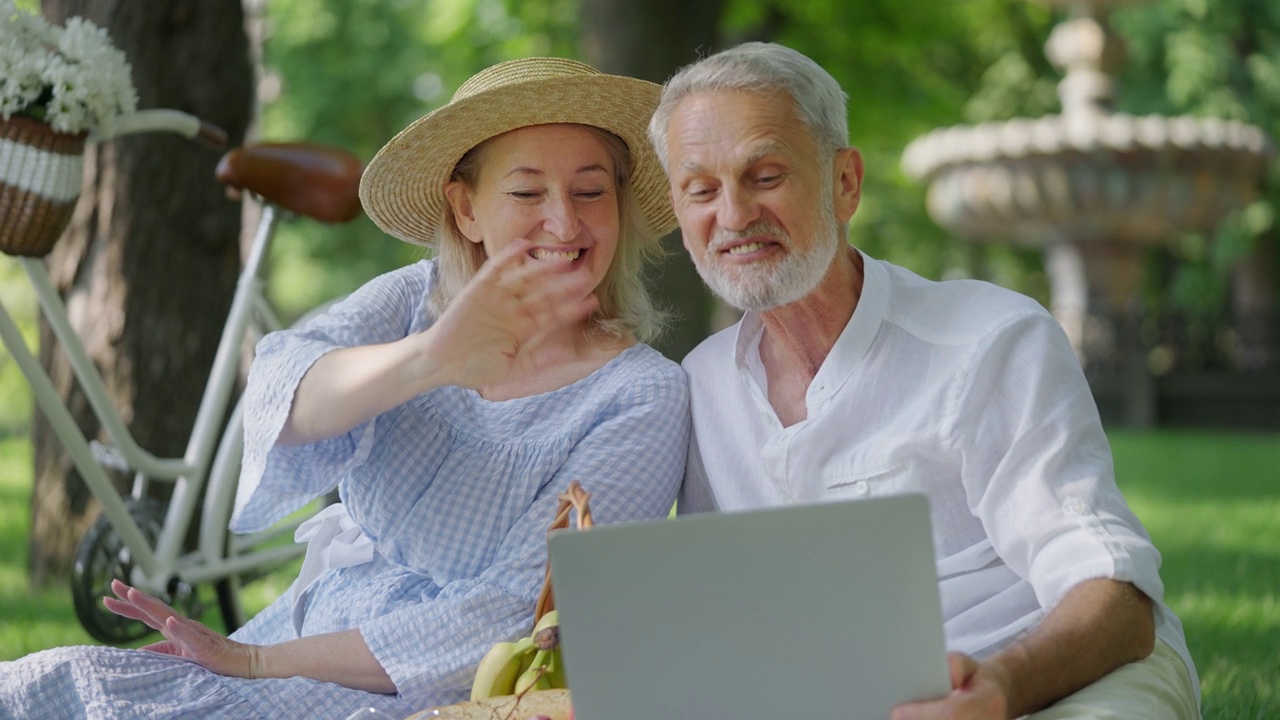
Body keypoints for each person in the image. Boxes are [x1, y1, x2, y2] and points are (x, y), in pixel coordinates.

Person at [0, 56, 689, 719]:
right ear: (467, 209)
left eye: (592, 191)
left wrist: (261, 661)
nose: (565, 223)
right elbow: (283, 389)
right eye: (527, 191)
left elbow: (514, 616)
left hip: (424, 687)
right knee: (46, 683)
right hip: (315, 626)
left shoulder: (641, 396)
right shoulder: (415, 304)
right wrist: (429, 359)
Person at [648, 42, 1200, 720]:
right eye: (701, 189)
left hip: (1058, 673)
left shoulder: (990, 340)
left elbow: (1115, 595)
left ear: (844, 182)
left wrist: (1001, 687)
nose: (732, 216)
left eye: (764, 176)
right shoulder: (700, 386)